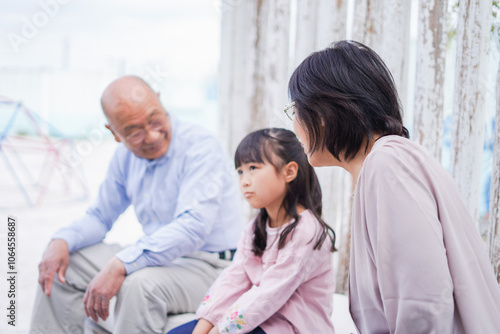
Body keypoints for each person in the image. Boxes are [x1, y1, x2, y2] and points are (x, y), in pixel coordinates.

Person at [287, 40, 500, 333]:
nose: (294, 124)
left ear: (323, 112)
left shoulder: (387, 164)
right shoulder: (388, 161)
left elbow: (422, 303)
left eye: (296, 109)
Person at [29, 75, 243, 334]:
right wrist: (60, 241)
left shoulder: (201, 146)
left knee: (139, 285)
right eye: (134, 131)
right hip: (159, 259)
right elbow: (100, 217)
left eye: (155, 120)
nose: (152, 136)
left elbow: (192, 228)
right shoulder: (124, 157)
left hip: (210, 265)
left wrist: (122, 263)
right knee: (64, 265)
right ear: (114, 133)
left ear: (161, 102)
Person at [168, 128, 337, 334]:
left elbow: (269, 293)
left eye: (253, 168)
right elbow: (234, 278)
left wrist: (221, 330)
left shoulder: (307, 231)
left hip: (292, 326)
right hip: (259, 320)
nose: (244, 181)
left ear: (289, 172)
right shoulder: (255, 229)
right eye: (240, 171)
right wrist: (204, 325)